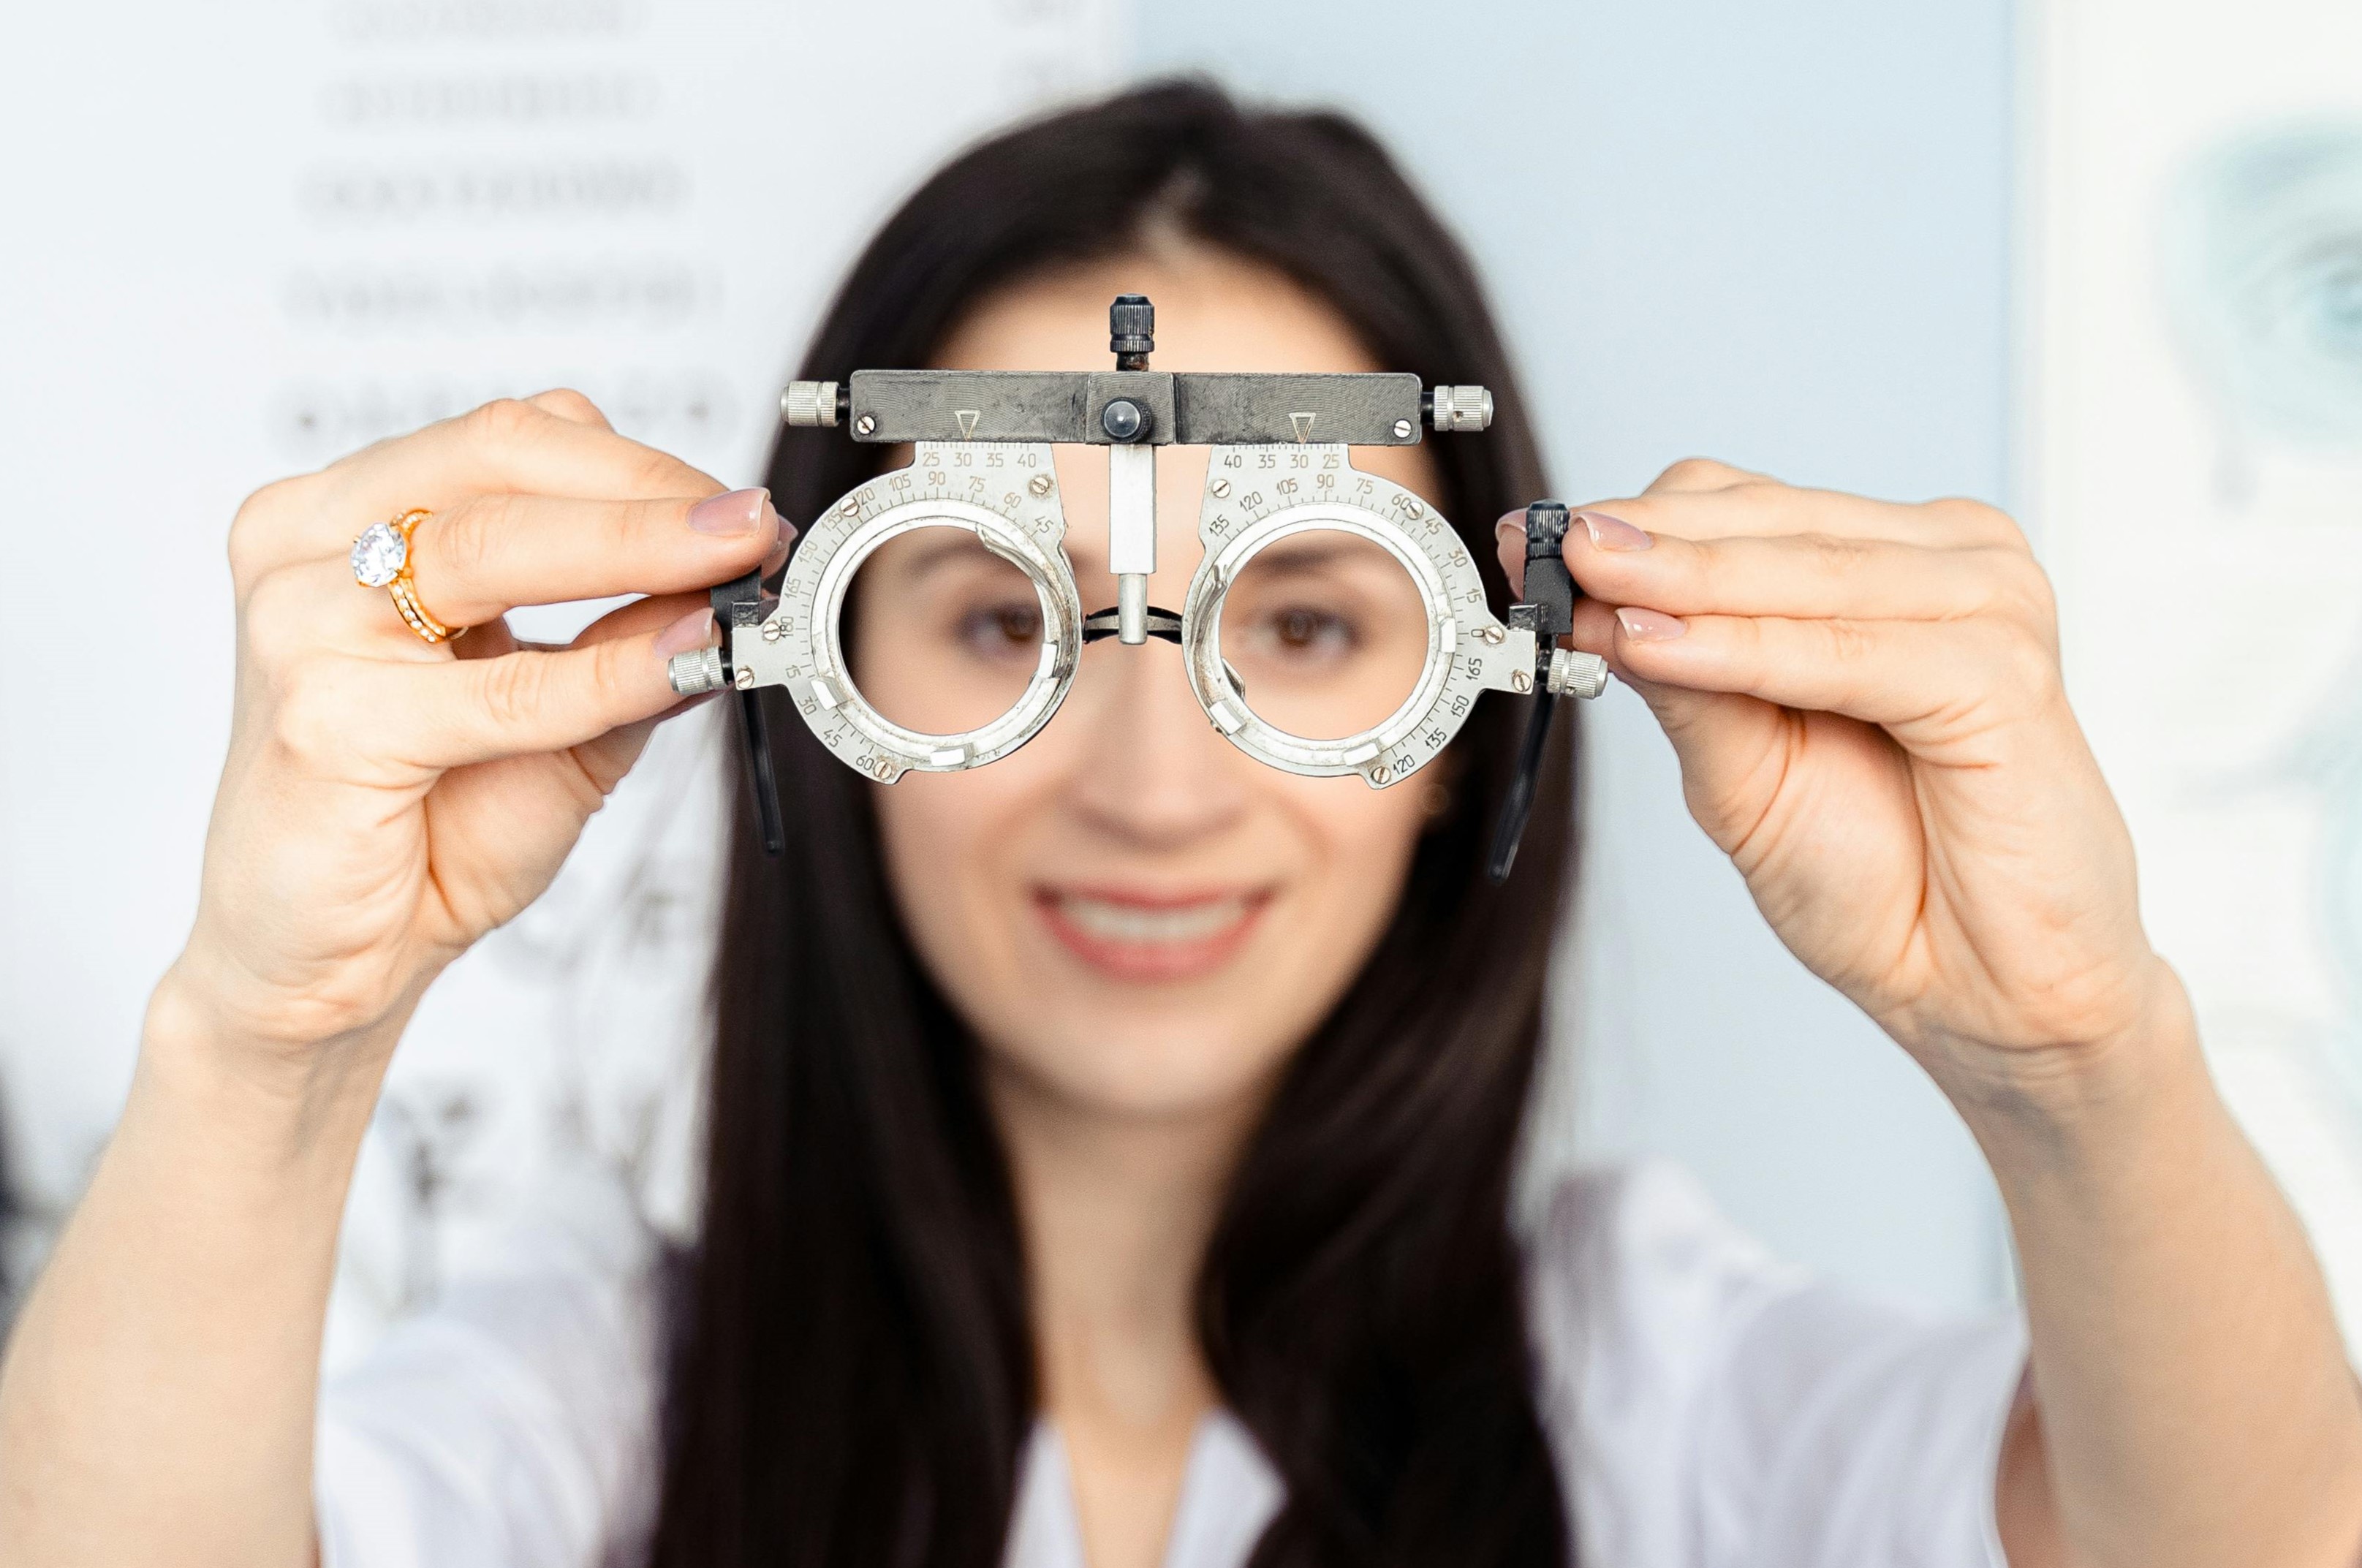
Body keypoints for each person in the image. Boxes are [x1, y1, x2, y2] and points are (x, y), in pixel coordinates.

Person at [1, 80, 2356, 1568]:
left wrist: (2078, 1053)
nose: (1148, 780)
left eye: (1305, 626)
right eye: (999, 616)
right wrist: (267, 1034)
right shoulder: (592, 1399)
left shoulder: (1655, 1388)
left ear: (1464, 702)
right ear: (813, 670)